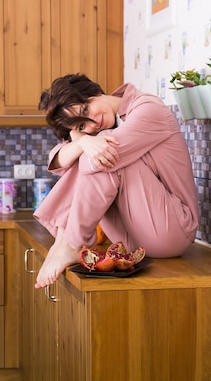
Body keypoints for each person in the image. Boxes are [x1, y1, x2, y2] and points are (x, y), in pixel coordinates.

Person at [33, 73, 199, 289]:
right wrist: (84, 142)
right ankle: (66, 240)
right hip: (129, 242)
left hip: (173, 231)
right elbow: (56, 159)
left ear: (93, 91)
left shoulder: (148, 108)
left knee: (106, 157)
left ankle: (70, 242)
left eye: (85, 111)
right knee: (96, 153)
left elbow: (91, 162)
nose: (91, 123)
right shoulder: (98, 133)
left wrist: (85, 141)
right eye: (81, 126)